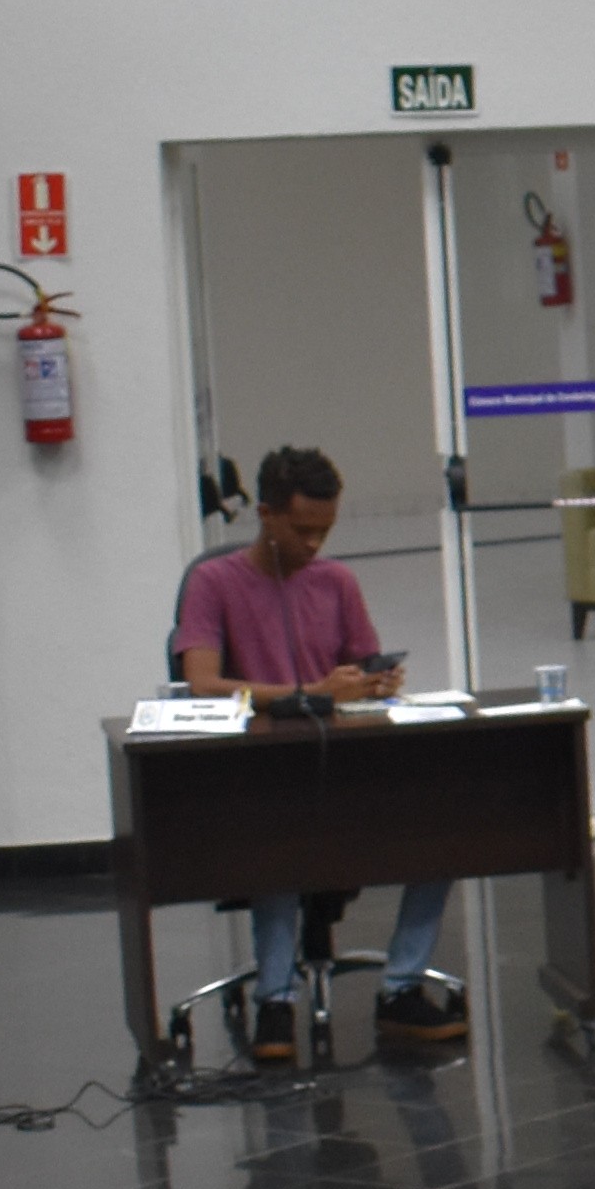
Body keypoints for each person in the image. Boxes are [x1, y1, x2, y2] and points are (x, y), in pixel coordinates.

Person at [170, 446, 469, 1062]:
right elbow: (201, 683)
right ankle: (275, 999)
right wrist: (308, 693)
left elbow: (360, 669)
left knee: (442, 831)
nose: (313, 545)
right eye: (301, 530)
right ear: (265, 515)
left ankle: (401, 987)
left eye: (324, 531)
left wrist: (376, 683)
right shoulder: (213, 582)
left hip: (343, 768)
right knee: (279, 834)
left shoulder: (336, 583)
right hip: (260, 777)